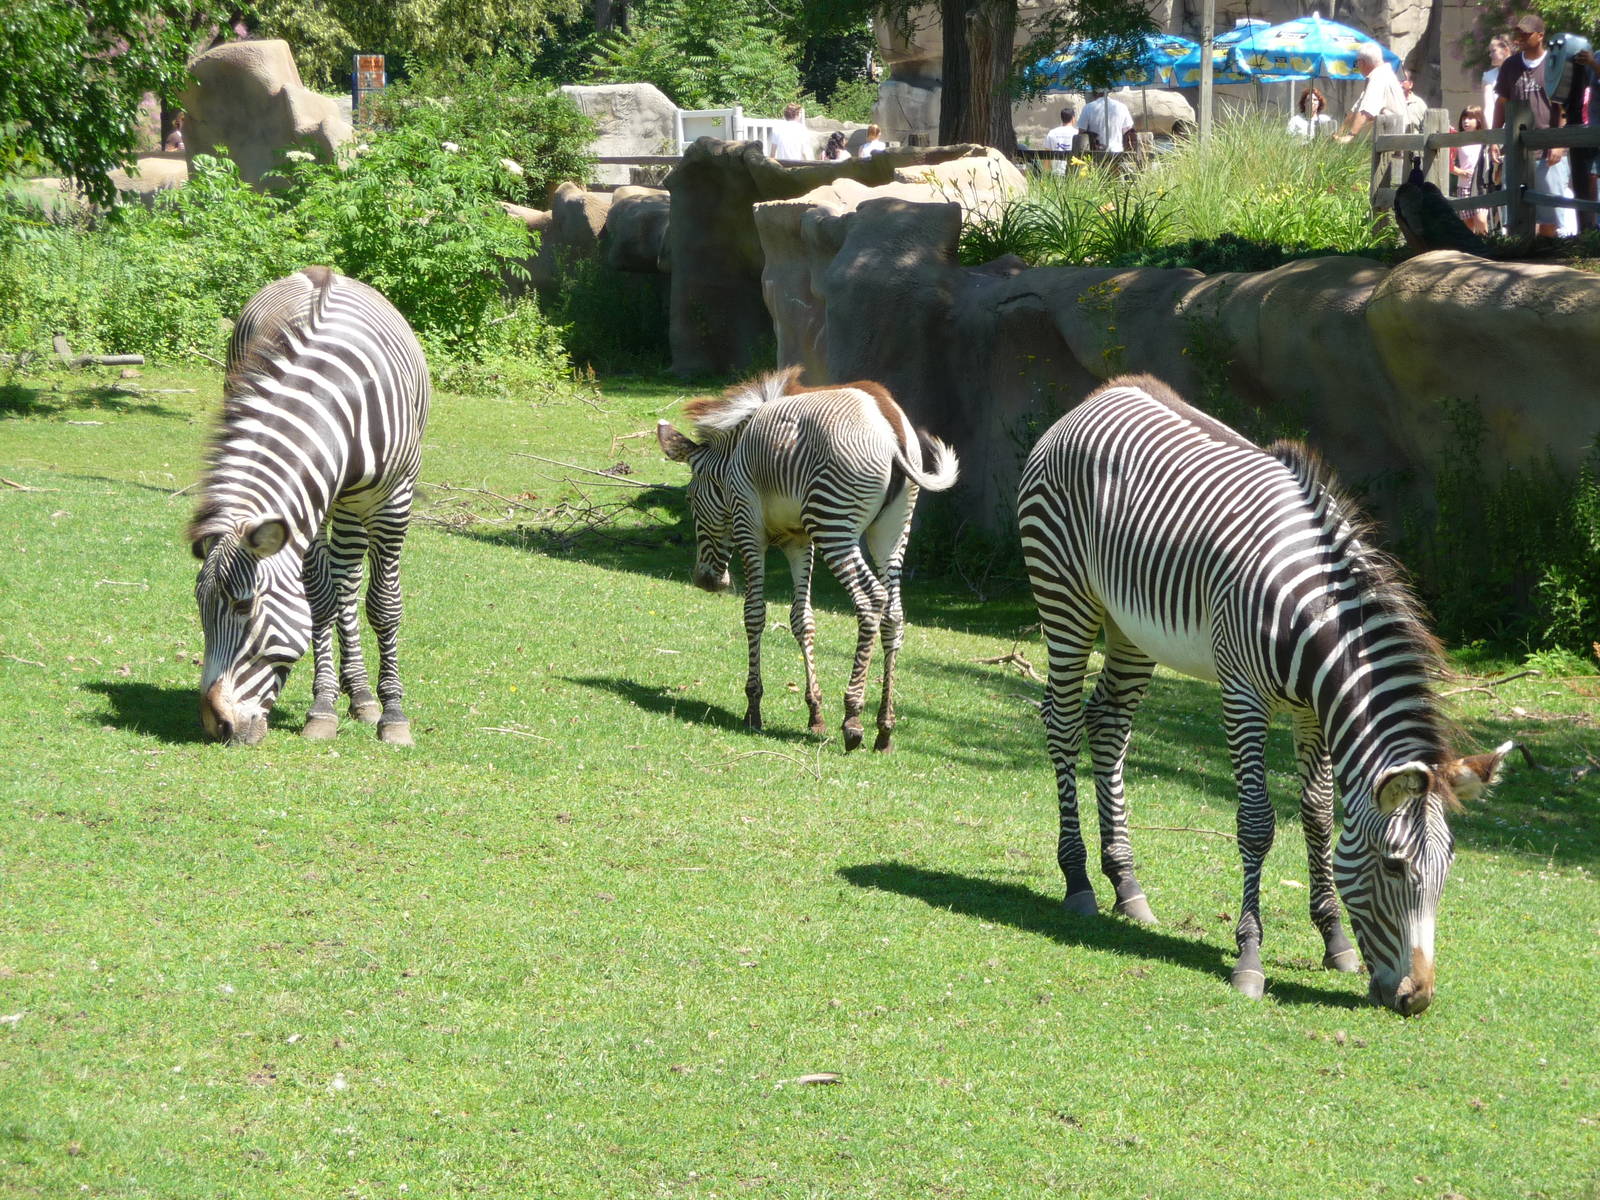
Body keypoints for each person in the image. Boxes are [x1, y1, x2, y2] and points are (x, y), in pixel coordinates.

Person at [1495, 14, 1569, 237]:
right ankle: (1520, 262)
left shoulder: (1555, 64)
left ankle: (1549, 264)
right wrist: (1496, 138)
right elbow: (1502, 103)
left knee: (1549, 217)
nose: (1521, 38)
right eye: (1519, 33)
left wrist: (1558, 143)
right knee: (1516, 216)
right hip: (1516, 149)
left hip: (1548, 152)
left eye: (1526, 33)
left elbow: (1564, 108)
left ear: (1540, 35)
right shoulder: (1510, 65)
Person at [1335, 42, 1407, 142]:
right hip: (1392, 140)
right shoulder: (1383, 75)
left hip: (1392, 144)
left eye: (1357, 63)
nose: (1358, 66)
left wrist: (1351, 135)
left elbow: (1366, 111)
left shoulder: (1379, 77)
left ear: (1362, 62)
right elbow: (1356, 109)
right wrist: (1339, 133)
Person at [1452, 106, 1491, 234]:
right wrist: (1459, 172)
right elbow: (1448, 162)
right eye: (1464, 118)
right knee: (1468, 227)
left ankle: (1487, 250)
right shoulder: (1458, 139)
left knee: (1481, 220)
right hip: (1463, 187)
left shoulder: (1485, 139)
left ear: (1479, 120)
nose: (1466, 121)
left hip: (1480, 187)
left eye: (1470, 118)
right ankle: (1473, 251)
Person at [1078, 89, 1134, 154]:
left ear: (1093, 92)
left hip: (1096, 152)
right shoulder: (1122, 107)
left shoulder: (1088, 108)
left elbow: (1081, 132)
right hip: (1118, 150)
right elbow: (1128, 131)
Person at [1484, 34, 1513, 123]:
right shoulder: (1489, 76)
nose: (1490, 55)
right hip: (1499, 128)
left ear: (1506, 50)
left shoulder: (1521, 71)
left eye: (1493, 51)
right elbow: (1489, 107)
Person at [1043, 105, 1078, 175]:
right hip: (1073, 174)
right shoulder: (1077, 133)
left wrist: (1046, 174)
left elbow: (1046, 156)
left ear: (1062, 118)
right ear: (1073, 119)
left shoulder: (1052, 133)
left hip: (1056, 173)